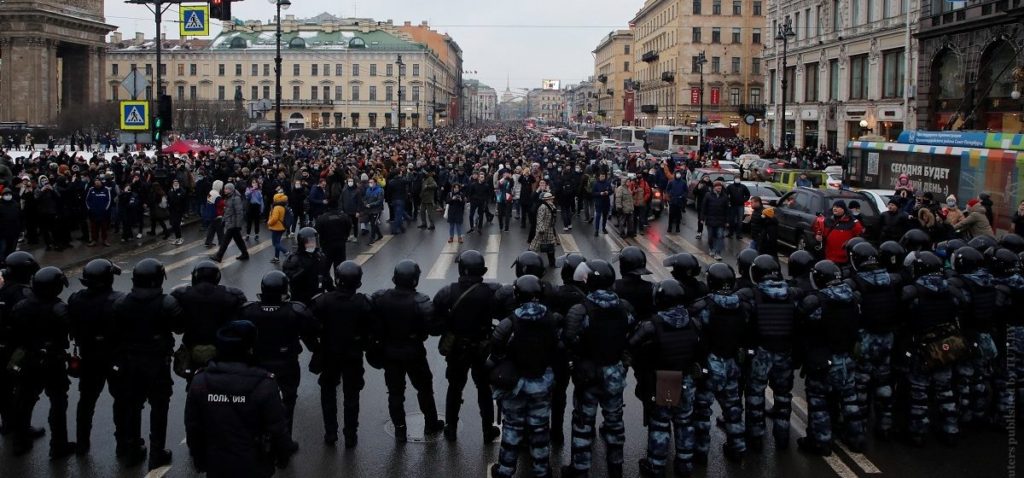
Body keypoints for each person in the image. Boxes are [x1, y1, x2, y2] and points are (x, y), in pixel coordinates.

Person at [185, 320, 294, 478]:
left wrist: (199, 458)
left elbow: (193, 427)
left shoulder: (201, 382)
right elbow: (277, 428)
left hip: (217, 465)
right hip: (255, 465)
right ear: (250, 349)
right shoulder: (264, 384)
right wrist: (283, 456)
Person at [562, 260, 634, 478]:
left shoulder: (581, 310)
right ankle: (616, 467)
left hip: (588, 374)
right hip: (614, 373)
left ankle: (580, 469)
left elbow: (569, 339)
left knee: (583, 424)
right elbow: (631, 336)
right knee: (614, 422)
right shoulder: (624, 307)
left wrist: (580, 356)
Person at [109, 258, 183, 469]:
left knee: (132, 406)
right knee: (159, 408)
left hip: (129, 362)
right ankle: (157, 453)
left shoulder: (121, 302)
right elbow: (179, 328)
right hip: (158, 363)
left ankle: (133, 450)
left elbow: (115, 332)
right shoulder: (167, 303)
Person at [488, 275, 562, 478]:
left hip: (516, 385)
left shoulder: (509, 322)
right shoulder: (551, 319)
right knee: (540, 430)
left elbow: (496, 347)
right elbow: (557, 347)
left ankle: (505, 470)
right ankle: (541, 469)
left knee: (512, 429)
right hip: (541, 384)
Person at [630, 279, 702, 477]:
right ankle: (685, 463)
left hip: (667, 379)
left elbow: (632, 346)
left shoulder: (652, 325)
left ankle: (656, 465)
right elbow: (700, 349)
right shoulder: (693, 321)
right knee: (685, 422)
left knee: (661, 424)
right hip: (687, 377)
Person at [369, 260, 445, 442]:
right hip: (414, 353)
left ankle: (400, 430)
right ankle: (431, 423)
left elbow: (369, 318)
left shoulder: (380, 298)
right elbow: (434, 329)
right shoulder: (421, 301)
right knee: (425, 388)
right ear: (415, 279)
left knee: (395, 393)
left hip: (390, 353)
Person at [796, 260, 865, 455]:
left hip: (822, 361)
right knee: (850, 400)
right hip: (847, 358)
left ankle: (821, 442)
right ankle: (857, 438)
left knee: (819, 403)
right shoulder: (853, 299)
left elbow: (803, 327)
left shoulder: (817, 303)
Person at [432, 250, 501, 443]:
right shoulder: (491, 291)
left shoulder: (448, 291)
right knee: (484, 390)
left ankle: (451, 428)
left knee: (454, 388)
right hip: (481, 349)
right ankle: (488, 430)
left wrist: (449, 324)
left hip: (457, 350)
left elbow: (434, 322)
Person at [239, 271, 317, 440]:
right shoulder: (296, 310)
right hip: (287, 364)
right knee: (288, 402)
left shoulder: (248, 311)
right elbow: (311, 333)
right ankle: (285, 439)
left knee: (254, 401)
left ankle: (257, 436)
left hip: (257, 364)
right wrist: (316, 352)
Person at [8, 266, 75, 458]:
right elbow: (71, 330)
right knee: (58, 402)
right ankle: (58, 445)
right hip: (52, 361)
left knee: (24, 401)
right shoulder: (59, 308)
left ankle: (19, 441)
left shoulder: (21, 306)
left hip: (27, 359)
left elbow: (14, 332)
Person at [899, 251, 964, 446]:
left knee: (919, 392)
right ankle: (951, 429)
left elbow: (906, 318)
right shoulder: (951, 289)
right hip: (946, 347)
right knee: (945, 391)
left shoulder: (913, 291)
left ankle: (918, 432)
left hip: (922, 348)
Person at [737, 255, 800, 452]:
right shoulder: (793, 294)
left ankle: (755, 437)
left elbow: (744, 325)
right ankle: (782, 436)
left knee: (755, 395)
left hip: (760, 354)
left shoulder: (751, 295)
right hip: (785, 352)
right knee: (783, 397)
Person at [691, 263, 749, 463]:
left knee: (701, 412)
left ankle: (700, 452)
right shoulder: (742, 305)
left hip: (709, 364)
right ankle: (738, 448)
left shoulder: (703, 306)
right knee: (733, 409)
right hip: (732, 362)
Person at [310, 261, 372, 448]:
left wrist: (316, 347)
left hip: (329, 354)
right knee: (351, 395)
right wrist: (364, 345)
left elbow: (309, 326)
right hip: (353, 355)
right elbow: (373, 330)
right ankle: (350, 435)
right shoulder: (363, 303)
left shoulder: (322, 301)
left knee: (328, 392)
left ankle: (330, 433)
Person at [845, 242, 902, 441]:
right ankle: (885, 425)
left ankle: (858, 430)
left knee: (860, 385)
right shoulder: (891, 280)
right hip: (887, 338)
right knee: (884, 383)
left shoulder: (856, 282)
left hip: (865, 339)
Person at [68, 259, 125, 454]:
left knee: (86, 401)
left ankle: (82, 443)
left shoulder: (75, 299)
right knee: (121, 401)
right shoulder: (119, 301)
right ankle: (123, 444)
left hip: (89, 356)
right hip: (114, 357)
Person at [170, 261, 247, 387]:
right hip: (222, 352)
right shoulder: (233, 295)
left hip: (192, 350)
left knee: (192, 383)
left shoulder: (181, 295)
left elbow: (177, 326)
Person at [947, 246, 999, 428]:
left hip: (968, 337)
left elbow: (957, 307)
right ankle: (980, 414)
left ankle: (964, 416)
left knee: (964, 379)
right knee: (982, 378)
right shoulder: (991, 282)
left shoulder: (964, 285)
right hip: (987, 337)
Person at [0, 251, 39, 434]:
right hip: (17, 350)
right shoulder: (24, 294)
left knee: (4, 388)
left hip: (2, 346)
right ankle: (22, 428)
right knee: (26, 389)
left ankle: (8, 424)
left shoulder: (3, 289)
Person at [282, 227, 330, 306]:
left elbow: (326, 277)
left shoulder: (320, 257)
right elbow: (290, 280)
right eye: (308, 242)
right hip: (300, 301)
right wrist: (305, 269)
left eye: (313, 241)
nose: (311, 244)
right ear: (302, 243)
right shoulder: (293, 260)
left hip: (318, 299)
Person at [812, 200, 864, 266]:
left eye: (838, 207)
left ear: (843, 209)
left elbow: (860, 239)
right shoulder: (827, 221)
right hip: (828, 258)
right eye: (834, 206)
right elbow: (820, 235)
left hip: (846, 261)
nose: (835, 208)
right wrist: (818, 237)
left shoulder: (853, 223)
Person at [210, 183, 250, 262]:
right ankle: (245, 254)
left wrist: (238, 225)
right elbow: (227, 211)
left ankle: (219, 256)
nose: (225, 190)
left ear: (231, 189)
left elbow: (239, 212)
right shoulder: (228, 197)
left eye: (227, 189)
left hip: (233, 224)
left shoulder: (236, 198)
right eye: (225, 188)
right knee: (238, 240)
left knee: (225, 240)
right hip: (230, 222)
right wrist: (224, 220)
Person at [314, 208, 352, 273]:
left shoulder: (322, 218)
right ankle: (339, 281)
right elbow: (349, 227)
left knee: (325, 269)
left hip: (327, 246)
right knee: (340, 269)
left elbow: (316, 232)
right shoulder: (344, 216)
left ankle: (327, 282)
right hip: (340, 246)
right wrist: (345, 237)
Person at [700, 181, 730, 260]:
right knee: (711, 237)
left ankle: (718, 253)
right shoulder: (708, 195)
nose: (719, 188)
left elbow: (727, 210)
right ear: (714, 187)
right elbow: (704, 208)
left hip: (721, 221)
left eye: (720, 187)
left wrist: (727, 221)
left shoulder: (724, 196)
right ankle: (711, 248)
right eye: (717, 187)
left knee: (720, 236)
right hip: (710, 220)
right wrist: (702, 218)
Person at [530, 192, 558, 268]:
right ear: (547, 199)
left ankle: (552, 264)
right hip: (542, 230)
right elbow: (539, 219)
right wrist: (541, 229)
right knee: (534, 246)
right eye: (551, 198)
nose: (552, 199)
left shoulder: (552, 206)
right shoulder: (543, 207)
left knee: (551, 247)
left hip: (549, 229)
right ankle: (527, 259)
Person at [85, 176, 113, 247]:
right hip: (93, 213)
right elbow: (87, 200)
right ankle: (94, 240)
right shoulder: (91, 190)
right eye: (96, 181)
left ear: (101, 182)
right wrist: (90, 209)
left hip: (103, 213)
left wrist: (105, 209)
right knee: (94, 228)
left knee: (104, 228)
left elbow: (109, 200)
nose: (97, 182)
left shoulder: (106, 189)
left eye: (98, 181)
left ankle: (104, 240)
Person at [267, 192, 289, 263]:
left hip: (276, 228)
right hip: (282, 227)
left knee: (275, 243)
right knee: (277, 242)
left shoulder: (276, 207)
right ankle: (276, 258)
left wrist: (269, 222)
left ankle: (286, 252)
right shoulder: (283, 206)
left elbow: (275, 218)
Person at [363, 178, 385, 245]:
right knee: (373, 223)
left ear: (375, 183)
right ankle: (380, 235)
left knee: (373, 224)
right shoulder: (368, 190)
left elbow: (379, 201)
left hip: (376, 210)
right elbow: (365, 198)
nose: (370, 184)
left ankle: (372, 239)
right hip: (369, 210)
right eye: (369, 182)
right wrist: (365, 203)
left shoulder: (380, 190)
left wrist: (371, 204)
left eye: (371, 182)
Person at [167, 178, 188, 245]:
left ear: (178, 183)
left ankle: (180, 238)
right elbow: (169, 199)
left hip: (179, 211)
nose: (175, 184)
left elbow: (183, 201)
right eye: (174, 183)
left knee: (177, 224)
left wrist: (184, 212)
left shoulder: (182, 191)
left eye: (176, 183)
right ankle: (177, 238)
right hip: (172, 211)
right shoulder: (170, 191)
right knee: (173, 225)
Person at [592, 171, 613, 237]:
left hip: (606, 202)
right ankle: (596, 230)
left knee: (605, 217)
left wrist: (608, 192)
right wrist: (599, 193)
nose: (602, 177)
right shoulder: (596, 184)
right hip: (599, 203)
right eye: (601, 176)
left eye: (604, 176)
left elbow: (611, 191)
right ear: (599, 176)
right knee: (598, 216)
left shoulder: (607, 183)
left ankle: (603, 228)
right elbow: (593, 193)